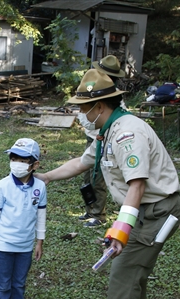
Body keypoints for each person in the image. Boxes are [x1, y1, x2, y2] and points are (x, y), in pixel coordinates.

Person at [36, 69, 180, 299]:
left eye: (82, 108)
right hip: (145, 211)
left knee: (124, 270)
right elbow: (81, 162)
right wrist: (46, 177)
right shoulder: (107, 132)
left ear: (99, 107)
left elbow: (137, 184)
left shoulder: (127, 133)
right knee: (135, 271)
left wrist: (120, 230)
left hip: (157, 211)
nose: (79, 113)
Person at [0, 138, 47, 299]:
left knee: (19, 282)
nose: (17, 163)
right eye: (14, 158)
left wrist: (39, 242)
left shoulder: (40, 187)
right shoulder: (2, 185)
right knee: (3, 283)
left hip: (26, 246)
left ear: (34, 165)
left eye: (23, 160)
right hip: (4, 244)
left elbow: (41, 214)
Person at [77, 55, 126, 226]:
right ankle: (90, 210)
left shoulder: (114, 100)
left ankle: (99, 214)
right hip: (93, 140)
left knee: (98, 179)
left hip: (105, 141)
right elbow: (84, 119)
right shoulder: (90, 89)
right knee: (87, 177)